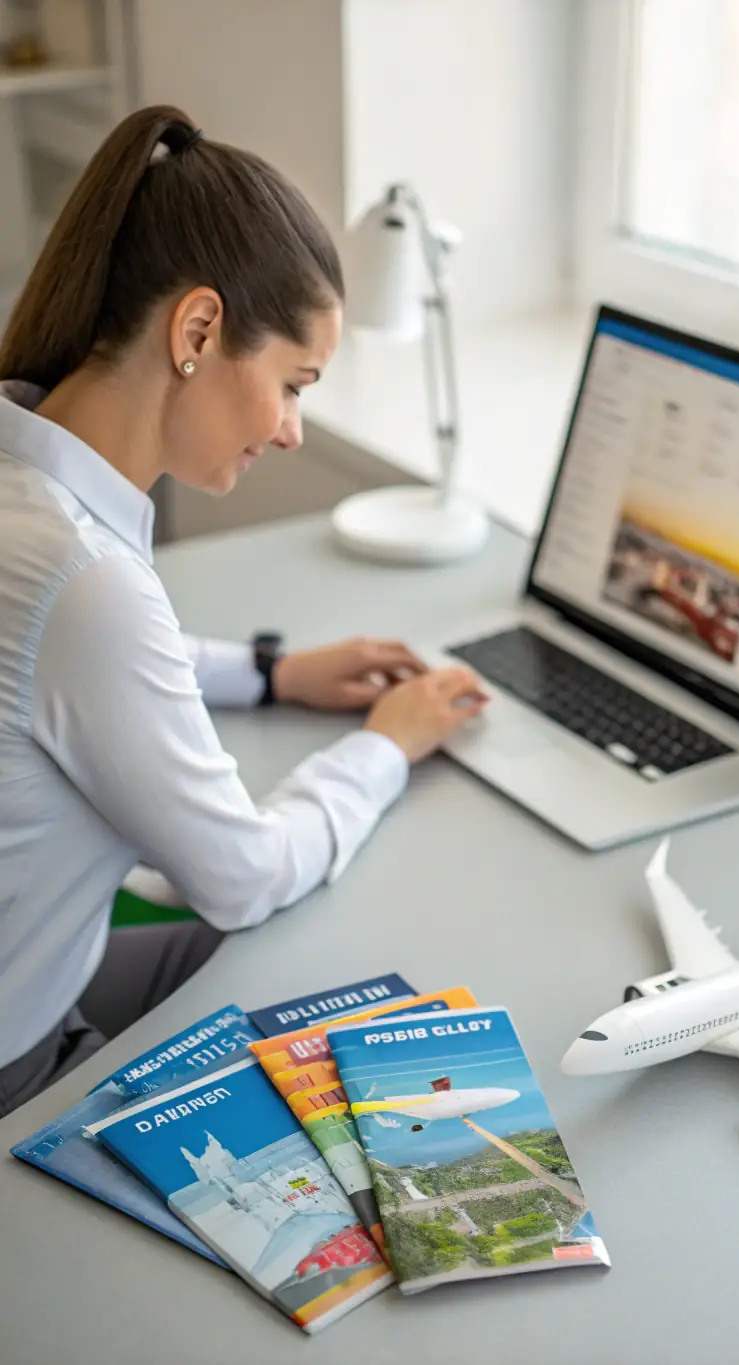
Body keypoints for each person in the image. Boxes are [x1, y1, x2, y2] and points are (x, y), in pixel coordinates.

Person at [0, 106, 489, 1119]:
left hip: (38, 964)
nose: (294, 430)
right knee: (324, 936)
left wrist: (269, 672)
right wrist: (385, 748)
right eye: (293, 385)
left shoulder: (26, 479)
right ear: (198, 330)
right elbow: (243, 875)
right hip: (22, 1055)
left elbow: (63, 657)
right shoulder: (87, 582)